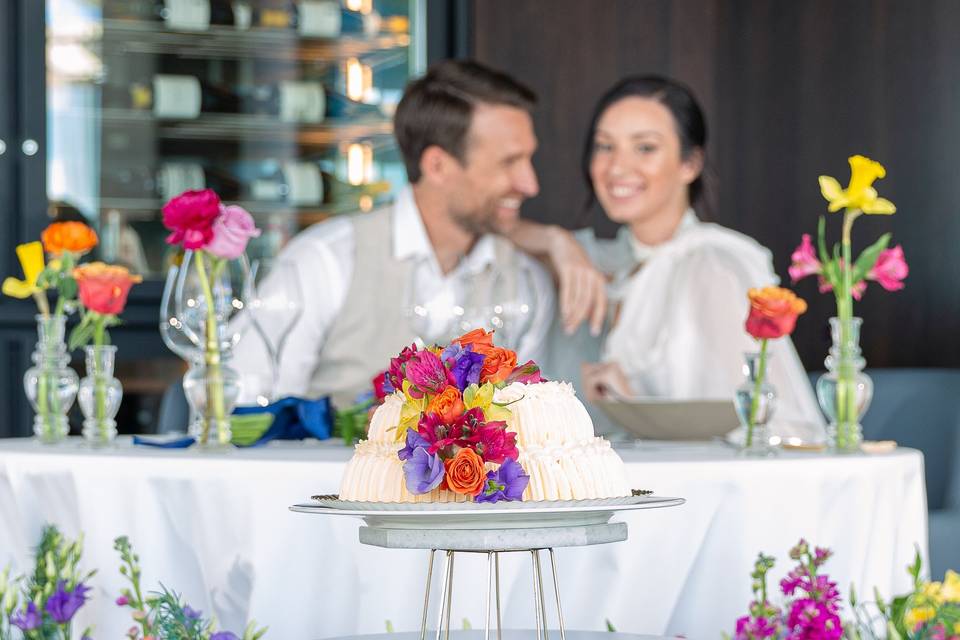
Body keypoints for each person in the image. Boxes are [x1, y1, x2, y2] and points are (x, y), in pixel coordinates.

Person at [510, 75, 823, 440]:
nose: (616, 168)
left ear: (689, 164)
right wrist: (556, 241)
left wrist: (633, 405)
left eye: (644, 148)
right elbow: (490, 225)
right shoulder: (599, 259)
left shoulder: (711, 264)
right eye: (605, 146)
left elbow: (759, 423)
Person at [232, 60, 555, 408]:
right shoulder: (324, 262)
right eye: (508, 162)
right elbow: (247, 407)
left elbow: (527, 422)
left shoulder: (526, 283)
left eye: (529, 159)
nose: (530, 184)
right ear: (437, 166)